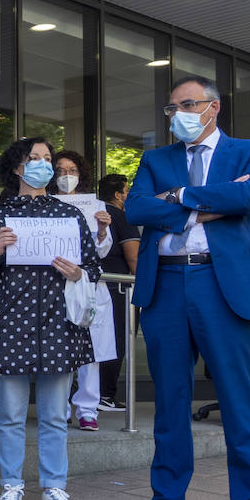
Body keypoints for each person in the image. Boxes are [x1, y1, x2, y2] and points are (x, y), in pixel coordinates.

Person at [120, 75, 250, 500]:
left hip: (223, 285)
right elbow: (138, 207)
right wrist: (202, 203)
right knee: (169, 403)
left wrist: (179, 198)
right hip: (166, 283)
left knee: (239, 403)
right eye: (172, 108)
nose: (179, 114)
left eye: (187, 105)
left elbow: (248, 197)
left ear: (214, 107)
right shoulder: (155, 159)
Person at [0, 136, 100, 500]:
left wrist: (78, 272)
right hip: (10, 324)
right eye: (34, 158)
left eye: (48, 159)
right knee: (10, 414)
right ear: (17, 167)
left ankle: (54, 487)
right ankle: (12, 484)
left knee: (55, 415)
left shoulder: (70, 215)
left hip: (58, 326)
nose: (43, 165)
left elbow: (91, 267)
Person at [53, 150, 116, 431]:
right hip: (54, 282)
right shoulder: (45, 203)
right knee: (59, 346)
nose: (67, 176)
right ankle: (60, 406)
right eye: (61, 170)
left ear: (81, 174)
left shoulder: (95, 205)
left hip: (87, 282)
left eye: (72, 170)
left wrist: (102, 231)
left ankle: (87, 409)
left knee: (90, 352)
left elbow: (102, 250)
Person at [97, 173, 140, 410]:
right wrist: (144, 291)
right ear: (117, 195)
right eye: (127, 191)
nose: (129, 195)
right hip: (119, 287)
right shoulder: (121, 217)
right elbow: (133, 257)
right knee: (117, 339)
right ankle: (106, 394)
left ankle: (92, 393)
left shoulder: (93, 212)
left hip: (91, 284)